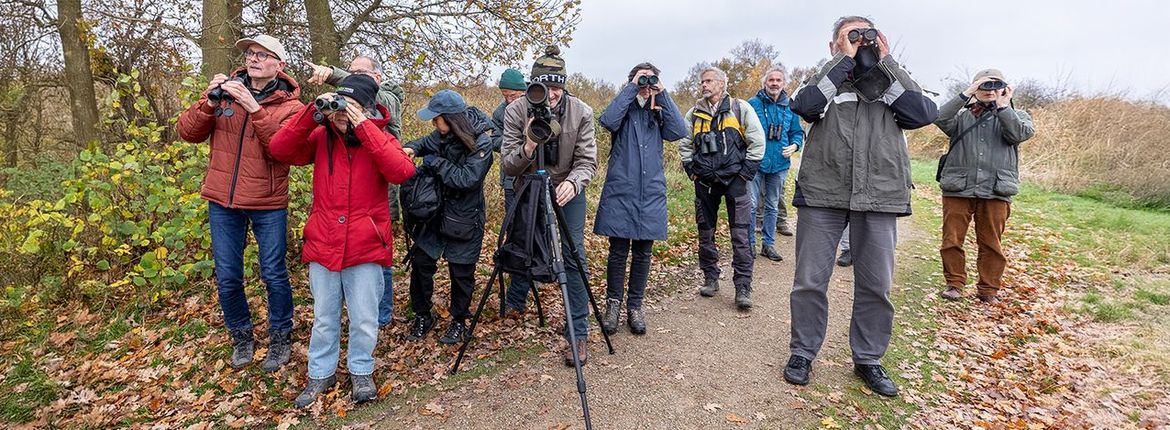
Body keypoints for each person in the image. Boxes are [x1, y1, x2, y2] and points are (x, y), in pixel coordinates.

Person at [785, 16, 938, 397]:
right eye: (850, 36)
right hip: (825, 191)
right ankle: (803, 352)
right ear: (833, 45)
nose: (860, 41)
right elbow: (804, 105)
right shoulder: (824, 78)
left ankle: (868, 359)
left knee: (876, 285)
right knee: (809, 282)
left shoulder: (892, 79)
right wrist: (843, 61)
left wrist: (886, 60)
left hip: (881, 194)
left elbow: (923, 113)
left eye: (866, 35)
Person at [267, 74, 415, 407]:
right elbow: (279, 149)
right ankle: (321, 374)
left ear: (366, 107)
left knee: (364, 317)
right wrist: (312, 112)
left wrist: (364, 126)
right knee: (324, 316)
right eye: (337, 105)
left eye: (349, 107)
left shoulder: (380, 136)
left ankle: (361, 370)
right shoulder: (321, 136)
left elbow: (401, 172)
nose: (340, 114)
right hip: (325, 241)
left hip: (365, 244)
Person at [176, 34, 303, 373]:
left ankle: (280, 336)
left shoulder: (293, 107)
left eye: (263, 55)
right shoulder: (225, 91)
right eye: (250, 54)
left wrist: (254, 108)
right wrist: (208, 102)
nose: (253, 59)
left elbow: (283, 149)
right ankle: (241, 335)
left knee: (273, 273)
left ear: (280, 64)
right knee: (228, 275)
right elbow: (187, 133)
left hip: (267, 201)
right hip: (223, 200)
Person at [501, 46, 598, 366]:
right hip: (529, 187)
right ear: (532, 87)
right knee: (523, 248)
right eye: (544, 88)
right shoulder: (517, 111)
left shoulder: (581, 111)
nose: (551, 95)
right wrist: (529, 145)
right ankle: (515, 302)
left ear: (564, 86)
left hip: (568, 189)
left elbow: (588, 161)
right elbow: (508, 166)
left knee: (573, 256)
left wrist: (574, 182)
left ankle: (578, 333)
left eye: (557, 87)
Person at [308, 56, 406, 328]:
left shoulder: (388, 96)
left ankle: (380, 314)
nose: (353, 78)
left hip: (380, 181)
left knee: (376, 253)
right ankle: (358, 313)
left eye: (360, 73)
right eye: (350, 73)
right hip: (349, 193)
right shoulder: (334, 125)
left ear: (377, 76)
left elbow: (365, 94)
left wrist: (332, 74)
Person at [595, 62, 688, 335]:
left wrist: (663, 93)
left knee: (643, 252)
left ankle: (635, 306)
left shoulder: (658, 109)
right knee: (618, 251)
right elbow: (607, 120)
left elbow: (679, 132)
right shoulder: (625, 107)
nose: (647, 85)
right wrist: (632, 88)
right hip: (622, 188)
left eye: (651, 80)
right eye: (643, 80)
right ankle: (613, 305)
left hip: (650, 190)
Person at [401, 90, 495, 345]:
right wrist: (412, 148)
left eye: (437, 119)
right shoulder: (442, 135)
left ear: (451, 119)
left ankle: (459, 321)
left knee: (461, 272)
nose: (434, 124)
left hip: (464, 218)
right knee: (421, 263)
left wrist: (435, 163)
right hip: (436, 213)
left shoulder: (482, 143)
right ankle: (422, 314)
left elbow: (467, 179)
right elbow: (425, 142)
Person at [935, 69, 1034, 304]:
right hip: (958, 187)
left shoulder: (1017, 115)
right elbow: (939, 118)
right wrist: (966, 93)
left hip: (996, 189)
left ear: (1005, 88)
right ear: (975, 88)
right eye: (983, 85)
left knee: (991, 242)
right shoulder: (961, 116)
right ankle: (954, 284)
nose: (989, 90)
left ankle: (988, 289)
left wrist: (1004, 106)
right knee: (952, 239)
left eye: (995, 85)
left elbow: (1019, 134)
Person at [678, 66, 766, 310]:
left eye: (708, 81)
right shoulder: (693, 114)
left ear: (721, 84)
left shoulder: (740, 108)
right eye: (702, 82)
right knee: (705, 232)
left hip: (735, 182)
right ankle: (710, 277)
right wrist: (691, 170)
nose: (704, 85)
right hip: (705, 182)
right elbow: (685, 144)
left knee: (740, 234)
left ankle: (743, 287)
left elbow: (757, 142)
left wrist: (745, 174)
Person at [747, 65, 804, 261]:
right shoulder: (752, 104)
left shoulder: (791, 106)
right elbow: (740, 130)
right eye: (771, 80)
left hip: (780, 163)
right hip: (755, 162)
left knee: (772, 205)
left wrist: (795, 146)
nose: (774, 83)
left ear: (784, 83)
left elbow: (797, 132)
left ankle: (768, 245)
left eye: (778, 80)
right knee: (752, 205)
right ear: (764, 83)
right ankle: (749, 245)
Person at [490, 68, 529, 314]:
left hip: (536, 180)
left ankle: (529, 278)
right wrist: (512, 142)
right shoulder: (500, 113)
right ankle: (516, 294)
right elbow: (493, 139)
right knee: (515, 233)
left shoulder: (535, 106)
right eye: (505, 95)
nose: (509, 100)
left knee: (534, 233)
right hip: (511, 181)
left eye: (513, 95)